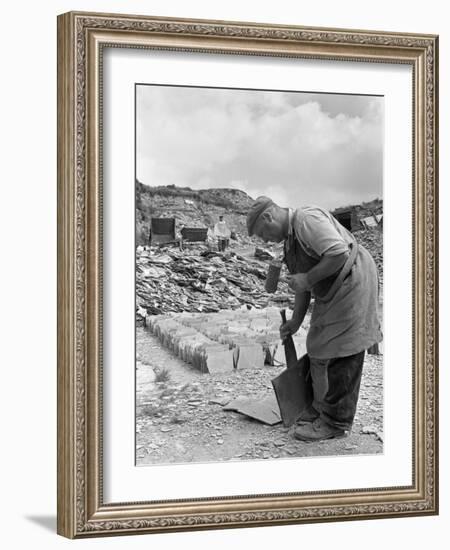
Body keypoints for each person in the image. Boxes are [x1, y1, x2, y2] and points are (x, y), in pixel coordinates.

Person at [247, 196, 382, 442]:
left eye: (263, 233)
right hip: (332, 290)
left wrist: (308, 279)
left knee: (344, 347)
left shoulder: (306, 219)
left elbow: (338, 253)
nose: (265, 240)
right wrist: (295, 322)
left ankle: (335, 422)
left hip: (353, 281)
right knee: (318, 345)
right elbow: (302, 287)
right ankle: (320, 407)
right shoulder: (290, 244)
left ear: (268, 217)